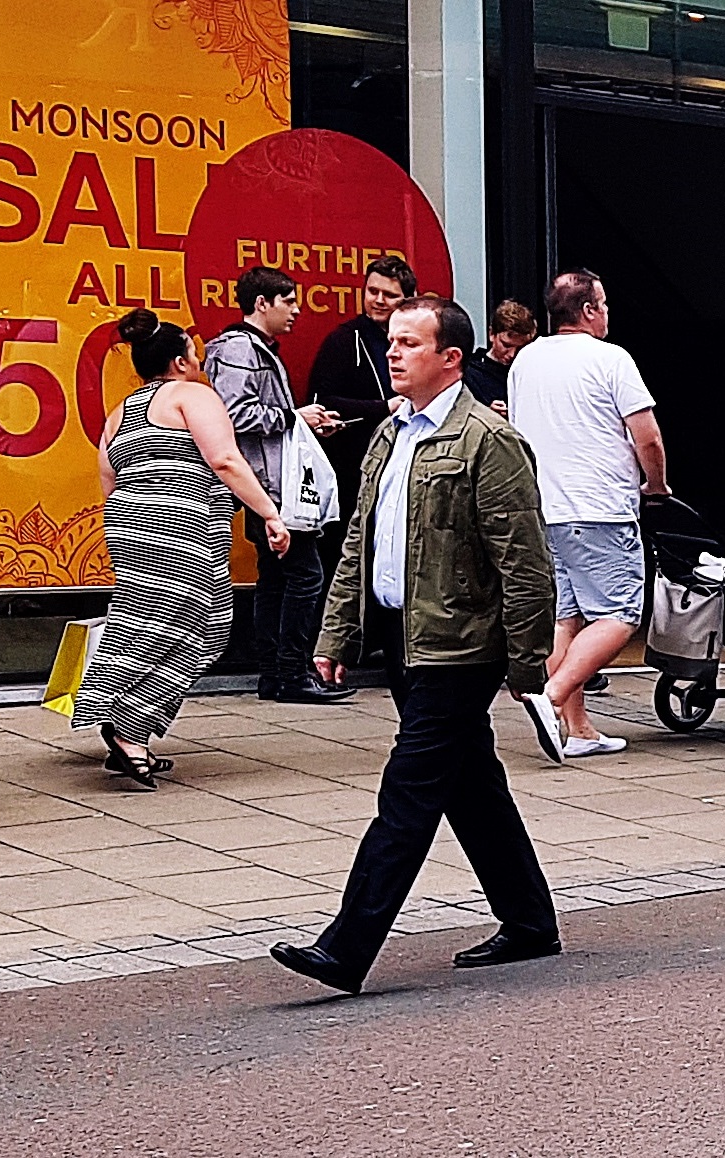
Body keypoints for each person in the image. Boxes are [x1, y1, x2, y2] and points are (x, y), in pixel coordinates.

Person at [270, 296, 560, 994]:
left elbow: (524, 563)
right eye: (391, 342)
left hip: (459, 647)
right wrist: (338, 630)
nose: (392, 353)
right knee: (472, 787)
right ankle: (528, 921)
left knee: (408, 794)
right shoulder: (391, 433)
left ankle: (346, 946)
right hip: (404, 638)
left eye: (408, 343)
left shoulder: (488, 441)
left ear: (450, 358)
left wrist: (527, 662)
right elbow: (359, 546)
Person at [72, 309, 290, 790]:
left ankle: (130, 726)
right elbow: (225, 459)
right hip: (178, 521)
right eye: (196, 351)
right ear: (179, 361)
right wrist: (269, 512)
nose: (202, 358)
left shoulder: (120, 412)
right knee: (202, 631)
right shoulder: (193, 395)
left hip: (128, 523)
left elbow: (108, 480)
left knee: (143, 629)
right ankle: (130, 732)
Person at [509, 269, 669, 762]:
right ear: (589, 311)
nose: (606, 311)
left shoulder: (524, 362)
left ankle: (576, 729)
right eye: (603, 303)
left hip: (545, 508)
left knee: (568, 617)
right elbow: (648, 436)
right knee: (621, 616)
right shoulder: (610, 359)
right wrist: (656, 484)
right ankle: (551, 697)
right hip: (599, 508)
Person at [206, 265, 353, 705]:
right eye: (288, 301)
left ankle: (275, 674)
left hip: (266, 479)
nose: (296, 310)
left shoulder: (252, 347)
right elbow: (234, 416)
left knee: (275, 577)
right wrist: (295, 418)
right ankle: (292, 672)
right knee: (305, 576)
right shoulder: (240, 349)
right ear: (261, 304)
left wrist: (305, 426)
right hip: (270, 484)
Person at [309, 256, 418, 600]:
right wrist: (382, 409)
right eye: (372, 291)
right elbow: (321, 401)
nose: (379, 300)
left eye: (390, 294)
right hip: (351, 467)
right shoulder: (343, 340)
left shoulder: (414, 341)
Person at [463, 299, 539, 418]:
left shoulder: (532, 371)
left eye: (520, 348)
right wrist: (486, 412)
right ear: (491, 334)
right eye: (506, 345)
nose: (512, 354)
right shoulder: (468, 373)